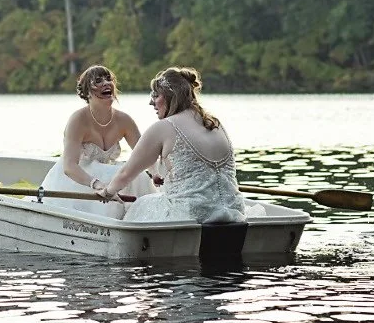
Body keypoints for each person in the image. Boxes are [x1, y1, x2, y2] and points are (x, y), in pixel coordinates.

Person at [97, 66, 247, 224]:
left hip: (192, 214)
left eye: (155, 95)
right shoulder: (214, 123)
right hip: (235, 209)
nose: (150, 102)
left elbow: (126, 173)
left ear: (171, 96)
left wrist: (108, 191)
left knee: (140, 205)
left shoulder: (164, 127)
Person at [38, 64, 158, 219]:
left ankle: (145, 219)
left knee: (138, 176)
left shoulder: (124, 120)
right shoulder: (78, 120)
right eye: (98, 81)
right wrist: (96, 184)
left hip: (106, 177)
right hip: (77, 180)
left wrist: (155, 173)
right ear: (87, 92)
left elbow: (145, 155)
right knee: (119, 176)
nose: (106, 83)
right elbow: (69, 166)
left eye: (109, 79)